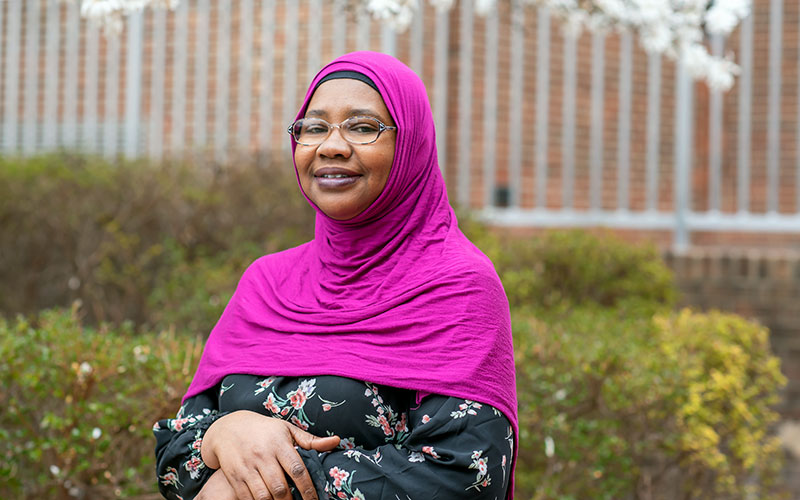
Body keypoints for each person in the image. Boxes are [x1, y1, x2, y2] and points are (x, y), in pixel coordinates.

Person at [153, 51, 517, 500]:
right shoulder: (266, 281)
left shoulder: (459, 286)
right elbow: (174, 450)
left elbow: (463, 478)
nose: (331, 146)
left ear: (411, 146)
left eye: (363, 127)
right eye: (314, 127)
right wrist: (223, 435)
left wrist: (264, 474)